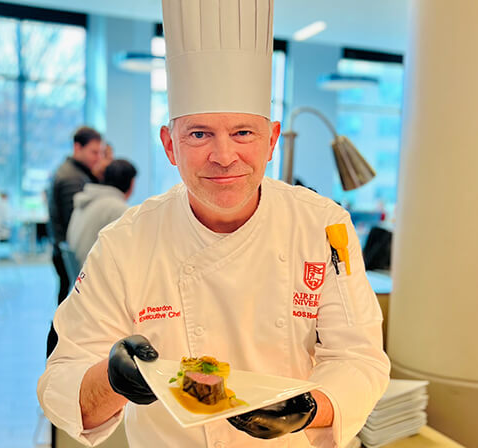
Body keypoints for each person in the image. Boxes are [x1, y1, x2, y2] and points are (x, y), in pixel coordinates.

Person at [37, 1, 390, 447]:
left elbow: (359, 358)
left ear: (272, 141)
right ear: (169, 144)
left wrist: (310, 408)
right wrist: (112, 381)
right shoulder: (126, 242)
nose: (224, 156)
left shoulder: (321, 226)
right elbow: (59, 383)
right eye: (199, 134)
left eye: (243, 133)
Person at [47, 126, 103, 307]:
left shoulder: (71, 172)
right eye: (93, 152)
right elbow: (75, 221)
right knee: (68, 306)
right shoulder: (72, 178)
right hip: (68, 250)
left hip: (61, 249)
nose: (98, 158)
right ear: (77, 147)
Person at [67, 159, 137, 265]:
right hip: (95, 275)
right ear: (131, 184)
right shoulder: (118, 209)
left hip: (81, 273)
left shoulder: (88, 199)